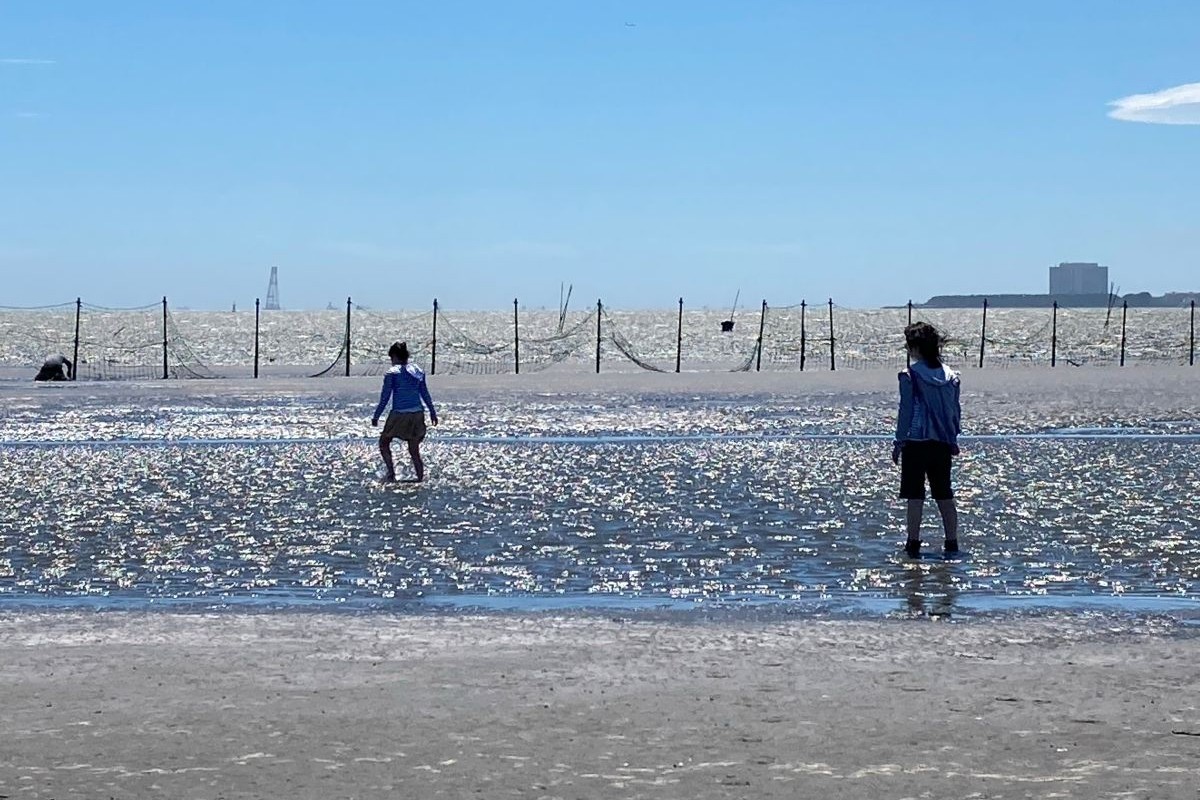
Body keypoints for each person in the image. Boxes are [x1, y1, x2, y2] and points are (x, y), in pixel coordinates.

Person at [892, 322, 961, 558]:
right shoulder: (951, 376)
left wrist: (899, 441)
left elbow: (906, 411)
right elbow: (954, 410)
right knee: (944, 494)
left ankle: (913, 543)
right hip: (942, 441)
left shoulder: (910, 375)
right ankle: (952, 542)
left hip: (916, 441)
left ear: (915, 348)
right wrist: (953, 437)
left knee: (914, 495)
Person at [372, 341, 438, 482]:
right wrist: (432, 411)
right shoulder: (417, 371)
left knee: (384, 442)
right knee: (413, 449)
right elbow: (424, 393)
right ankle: (420, 478)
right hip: (417, 413)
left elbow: (385, 397)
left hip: (400, 413)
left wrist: (376, 416)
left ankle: (391, 474)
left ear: (395, 356)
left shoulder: (392, 373)